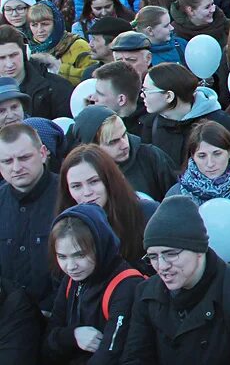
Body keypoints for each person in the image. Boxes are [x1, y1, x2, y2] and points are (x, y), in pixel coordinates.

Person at [122, 195, 230, 363]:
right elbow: (135, 357)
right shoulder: (146, 293)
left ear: (198, 250)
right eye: (153, 257)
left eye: (171, 254)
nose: (162, 266)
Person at [43, 204, 145, 365]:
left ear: (100, 246)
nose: (70, 266)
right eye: (62, 257)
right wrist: (73, 336)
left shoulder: (126, 285)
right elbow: (48, 344)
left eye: (80, 255)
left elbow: (111, 354)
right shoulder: (71, 280)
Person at [58, 143, 150, 266]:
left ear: (109, 180)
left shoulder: (146, 214)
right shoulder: (65, 225)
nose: (87, 192)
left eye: (94, 181)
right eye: (76, 186)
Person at [0, 122, 60, 307]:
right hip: (10, 319)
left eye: (24, 158)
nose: (16, 168)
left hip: (58, 316)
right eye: (7, 161)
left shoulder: (67, 195)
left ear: (43, 153)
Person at [67, 101, 174, 202]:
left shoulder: (151, 157)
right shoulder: (80, 174)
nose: (124, 145)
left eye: (124, 135)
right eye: (113, 142)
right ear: (94, 147)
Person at [142, 62, 230, 170]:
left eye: (147, 91)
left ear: (169, 96)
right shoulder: (152, 124)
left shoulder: (221, 123)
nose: (142, 95)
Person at [165, 121, 230, 205]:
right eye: (202, 156)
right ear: (192, 156)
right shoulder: (176, 195)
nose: (210, 163)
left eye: (217, 154)